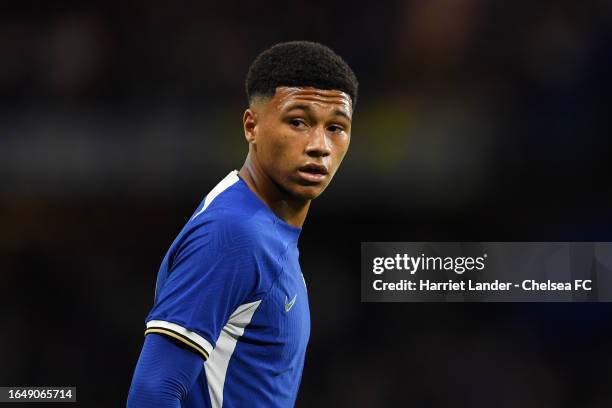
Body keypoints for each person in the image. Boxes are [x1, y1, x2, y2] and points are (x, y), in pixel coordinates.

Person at [127, 41, 358, 408]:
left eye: (336, 127)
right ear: (251, 126)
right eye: (298, 122)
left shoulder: (262, 225)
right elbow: (153, 392)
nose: (319, 145)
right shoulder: (235, 233)